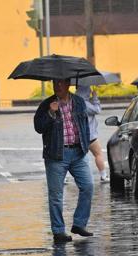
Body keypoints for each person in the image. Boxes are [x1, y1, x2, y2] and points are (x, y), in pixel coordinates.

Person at [34, 78, 94, 243]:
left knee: (88, 186)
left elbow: (85, 125)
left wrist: (85, 145)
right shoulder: (47, 104)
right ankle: (59, 231)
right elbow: (38, 127)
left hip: (78, 152)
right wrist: (50, 113)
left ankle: (79, 224)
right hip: (56, 155)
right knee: (56, 195)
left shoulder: (79, 102)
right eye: (55, 83)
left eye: (61, 83)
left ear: (68, 84)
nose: (58, 86)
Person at [76, 85, 110, 183]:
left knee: (73, 158)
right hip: (90, 136)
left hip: (78, 135)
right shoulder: (85, 103)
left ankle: (64, 177)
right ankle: (103, 175)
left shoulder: (74, 102)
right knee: (98, 154)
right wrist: (95, 97)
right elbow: (97, 110)